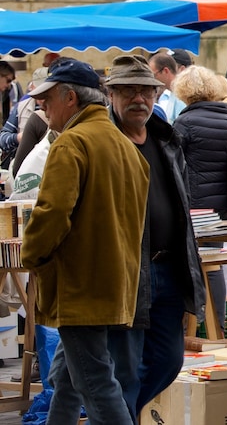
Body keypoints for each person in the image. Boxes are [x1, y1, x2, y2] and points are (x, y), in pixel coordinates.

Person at [21, 58, 149, 424]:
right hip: (114, 282)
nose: (42, 107)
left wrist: (32, 256)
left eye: (47, 99)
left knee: (95, 384)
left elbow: (51, 214)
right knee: (67, 379)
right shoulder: (124, 145)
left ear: (70, 98)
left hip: (81, 287)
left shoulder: (73, 143)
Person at [105, 55, 206, 418]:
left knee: (168, 361)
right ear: (111, 95)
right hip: (128, 272)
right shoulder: (104, 142)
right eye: (128, 91)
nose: (139, 99)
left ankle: (120, 414)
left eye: (146, 91)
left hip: (168, 268)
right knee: (126, 368)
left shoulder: (167, 138)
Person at [172, 65, 227, 336]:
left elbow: (174, 164)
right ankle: (217, 328)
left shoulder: (184, 122)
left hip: (192, 205)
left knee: (188, 265)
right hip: (222, 206)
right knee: (214, 264)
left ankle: (191, 328)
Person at [148, 51, 187, 123]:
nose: (152, 80)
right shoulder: (172, 93)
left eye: (154, 75)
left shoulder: (181, 95)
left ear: (165, 71)